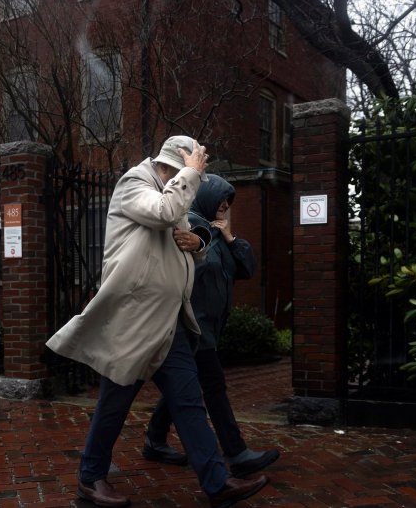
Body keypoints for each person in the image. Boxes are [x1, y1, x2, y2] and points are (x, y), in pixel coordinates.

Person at [45, 136, 269, 508]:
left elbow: (173, 246)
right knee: (114, 404)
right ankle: (89, 477)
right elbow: (163, 212)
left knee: (188, 400)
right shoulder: (134, 183)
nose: (184, 179)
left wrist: (198, 244)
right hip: (134, 322)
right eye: (180, 171)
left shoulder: (171, 193)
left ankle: (217, 483)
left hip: (169, 321)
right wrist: (191, 174)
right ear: (170, 165)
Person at [142, 174, 281, 478]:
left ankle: (154, 440)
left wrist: (229, 237)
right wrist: (205, 241)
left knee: (182, 387)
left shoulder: (216, 233)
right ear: (204, 196)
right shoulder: (191, 226)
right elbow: (183, 268)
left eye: (227, 203)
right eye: (220, 200)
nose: (224, 206)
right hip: (193, 326)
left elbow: (246, 268)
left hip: (210, 328)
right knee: (214, 387)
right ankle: (237, 452)